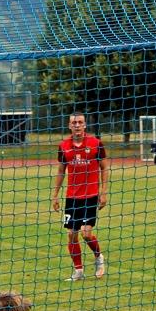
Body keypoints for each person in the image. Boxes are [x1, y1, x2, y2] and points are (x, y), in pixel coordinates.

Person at [51, 112, 108, 280]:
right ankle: (78, 271)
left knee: (86, 233)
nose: (77, 125)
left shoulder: (96, 144)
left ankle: (98, 257)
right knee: (71, 234)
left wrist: (103, 192)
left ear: (84, 125)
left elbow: (104, 168)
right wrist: (55, 195)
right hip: (72, 198)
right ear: (69, 126)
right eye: (74, 122)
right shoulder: (63, 146)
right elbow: (61, 171)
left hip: (90, 196)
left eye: (80, 122)